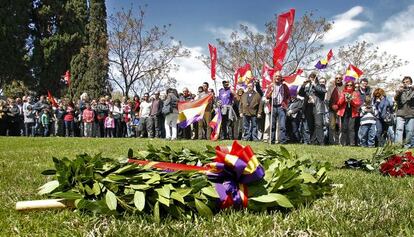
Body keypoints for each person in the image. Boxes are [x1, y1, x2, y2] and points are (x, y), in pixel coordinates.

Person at [298, 72, 327, 145]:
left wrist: (315, 84)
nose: (311, 78)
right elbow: (300, 94)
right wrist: (303, 85)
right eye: (310, 77)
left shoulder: (320, 85)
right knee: (311, 125)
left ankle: (321, 142)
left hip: (317, 107)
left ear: (316, 78)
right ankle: (313, 141)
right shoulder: (307, 87)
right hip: (309, 108)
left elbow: (323, 91)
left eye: (313, 77)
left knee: (319, 124)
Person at [265, 71, 290, 144]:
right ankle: (271, 140)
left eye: (279, 76)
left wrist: (286, 103)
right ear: (274, 77)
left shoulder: (284, 86)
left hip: (281, 107)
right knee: (272, 125)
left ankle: (282, 140)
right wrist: (271, 91)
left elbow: (288, 96)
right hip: (273, 107)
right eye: (276, 76)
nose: (277, 77)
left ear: (281, 78)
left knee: (282, 125)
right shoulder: (271, 86)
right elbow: (267, 96)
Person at [337, 80, 362, 146]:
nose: (349, 86)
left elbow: (358, 104)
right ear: (346, 86)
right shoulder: (343, 93)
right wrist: (344, 99)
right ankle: (344, 143)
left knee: (351, 128)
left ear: (353, 86)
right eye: (348, 85)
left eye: (351, 85)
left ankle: (352, 143)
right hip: (344, 112)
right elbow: (339, 103)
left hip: (352, 112)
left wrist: (351, 101)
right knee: (344, 128)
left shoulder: (355, 93)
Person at [394, 76, 414, 148]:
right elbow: (395, 99)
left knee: (410, 131)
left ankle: (407, 146)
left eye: (407, 82)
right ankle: (397, 146)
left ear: (411, 83)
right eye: (404, 82)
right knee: (399, 130)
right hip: (400, 113)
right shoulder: (400, 90)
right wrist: (399, 91)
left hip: (411, 113)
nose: (406, 83)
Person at [326, 74, 343, 145]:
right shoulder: (331, 87)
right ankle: (331, 141)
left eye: (339, 78)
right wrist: (331, 106)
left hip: (341, 109)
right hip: (332, 109)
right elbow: (327, 99)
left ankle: (338, 141)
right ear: (335, 79)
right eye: (336, 78)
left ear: (342, 79)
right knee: (332, 126)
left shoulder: (344, 87)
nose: (338, 79)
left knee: (339, 126)